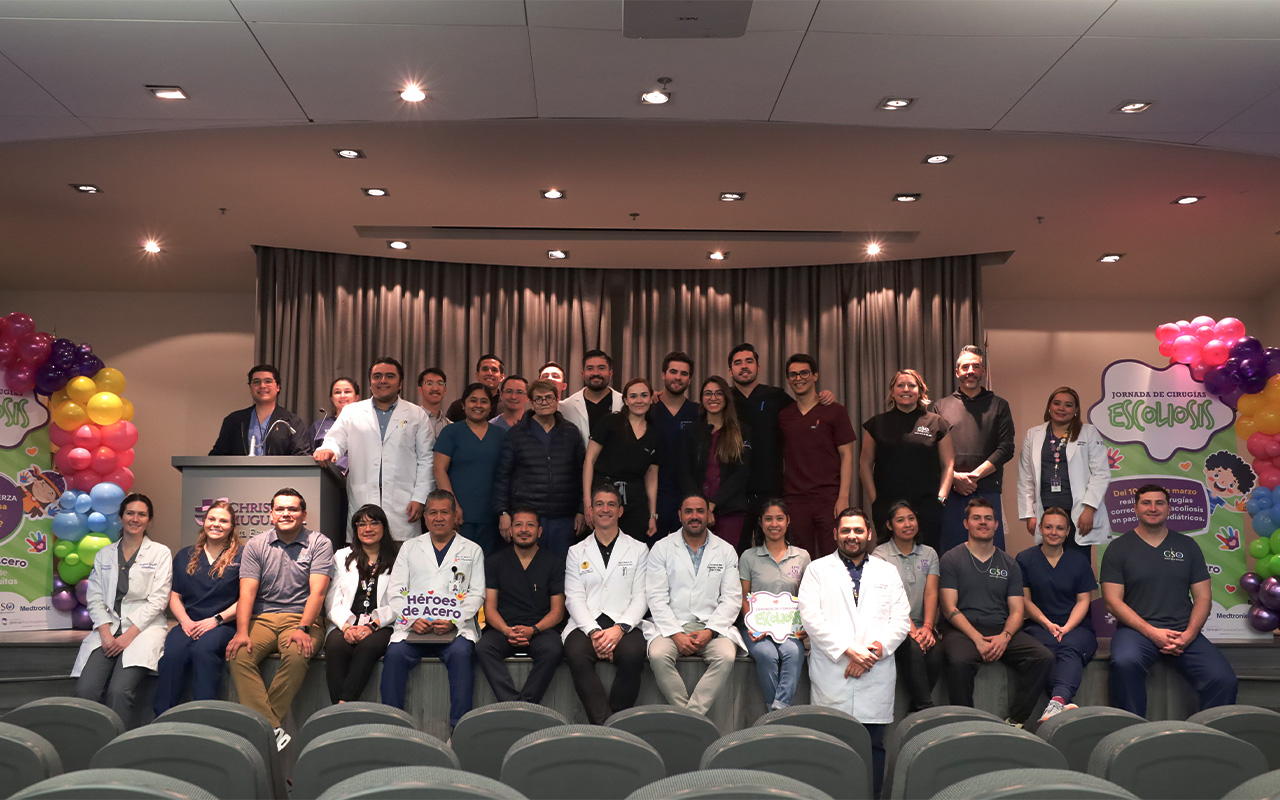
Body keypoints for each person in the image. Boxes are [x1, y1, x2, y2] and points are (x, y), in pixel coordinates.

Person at [798, 506, 910, 798]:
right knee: (830, 747)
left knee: (872, 747)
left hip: (875, 672)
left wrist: (870, 655)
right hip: (834, 672)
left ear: (869, 534)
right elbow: (811, 619)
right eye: (846, 530)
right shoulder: (817, 570)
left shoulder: (888, 571)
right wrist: (849, 651)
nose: (852, 536)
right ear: (835, 533)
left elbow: (900, 621)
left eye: (858, 530)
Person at [1101, 484, 1237, 718]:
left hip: (1182, 631)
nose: (1153, 508)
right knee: (1124, 663)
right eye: (1146, 503)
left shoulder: (1188, 546)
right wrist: (1152, 632)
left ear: (1169, 508)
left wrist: (1189, 635)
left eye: (1160, 503)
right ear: (1135, 508)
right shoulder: (1118, 548)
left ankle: (1207, 733)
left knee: (1223, 679)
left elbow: (1203, 597)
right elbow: (1112, 602)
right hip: (1137, 632)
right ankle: (1130, 731)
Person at [226, 488, 334, 749]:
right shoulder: (256, 544)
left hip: (302, 618)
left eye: (293, 509)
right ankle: (272, 728)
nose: (286, 513)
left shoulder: (319, 543)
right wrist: (241, 632)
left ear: (304, 515)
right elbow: (247, 593)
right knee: (238, 654)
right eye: (280, 509)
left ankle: (260, 727)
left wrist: (303, 628)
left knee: (297, 654)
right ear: (271, 514)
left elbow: (318, 592)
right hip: (263, 617)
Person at [939, 498, 1052, 725]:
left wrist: (1005, 637)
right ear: (966, 523)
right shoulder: (951, 559)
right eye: (977, 518)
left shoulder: (1009, 563)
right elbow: (949, 607)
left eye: (988, 518)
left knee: (1043, 657)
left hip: (1001, 628)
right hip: (963, 630)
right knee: (959, 661)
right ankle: (965, 724)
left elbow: (1017, 611)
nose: (983, 522)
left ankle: (1015, 720)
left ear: (996, 525)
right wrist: (977, 639)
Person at [381, 490, 485, 731]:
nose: (439, 518)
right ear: (425, 517)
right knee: (394, 655)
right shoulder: (409, 548)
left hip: (454, 629)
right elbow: (396, 591)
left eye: (444, 512)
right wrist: (412, 620)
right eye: (433, 512)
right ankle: (392, 725)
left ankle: (459, 728)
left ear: (455, 516)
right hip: (414, 627)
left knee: (461, 653)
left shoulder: (472, 550)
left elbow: (477, 593)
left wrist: (453, 620)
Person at [73, 492, 173, 728]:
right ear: (120, 517)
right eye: (130, 513)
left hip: (143, 629)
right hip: (108, 629)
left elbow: (158, 600)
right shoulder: (105, 554)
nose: (135, 519)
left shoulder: (160, 553)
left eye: (142, 514)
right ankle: (88, 741)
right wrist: (105, 633)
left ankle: (119, 744)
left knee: (119, 692)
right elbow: (95, 597)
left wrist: (128, 636)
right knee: (86, 689)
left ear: (149, 520)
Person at [315, 357, 435, 542]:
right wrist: (328, 450)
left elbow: (427, 459)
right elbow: (335, 440)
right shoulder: (352, 412)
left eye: (390, 376)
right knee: (363, 555)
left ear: (400, 383)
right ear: (370, 383)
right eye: (377, 376)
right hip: (363, 501)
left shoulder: (416, 414)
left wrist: (420, 498)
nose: (383, 381)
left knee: (402, 556)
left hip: (404, 506)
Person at [645, 493, 744, 715]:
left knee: (726, 656)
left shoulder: (726, 550)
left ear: (709, 515)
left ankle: (691, 715)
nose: (694, 516)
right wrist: (676, 634)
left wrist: (710, 631)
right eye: (688, 511)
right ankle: (690, 716)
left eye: (700, 511)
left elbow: (731, 598)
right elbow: (656, 597)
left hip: (710, 627)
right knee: (658, 655)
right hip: (672, 626)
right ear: (680, 515)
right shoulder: (662, 548)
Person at [728, 343, 834, 548]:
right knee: (735, 550)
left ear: (758, 368)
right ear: (730, 370)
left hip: (771, 487)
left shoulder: (775, 396)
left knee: (773, 548)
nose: (744, 366)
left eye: (749, 361)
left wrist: (825, 396)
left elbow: (805, 409)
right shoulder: (724, 399)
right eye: (738, 363)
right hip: (734, 490)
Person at [563, 484, 651, 724]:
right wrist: (593, 632)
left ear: (620, 511)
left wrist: (619, 629)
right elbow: (574, 597)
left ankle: (616, 720)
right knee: (576, 654)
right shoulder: (576, 551)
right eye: (599, 504)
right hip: (586, 622)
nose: (605, 509)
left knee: (633, 654)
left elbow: (642, 596)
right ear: (590, 511)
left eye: (611, 504)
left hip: (623, 621)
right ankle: (606, 724)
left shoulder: (639, 549)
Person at [153, 499, 240, 716]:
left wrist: (216, 620)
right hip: (189, 622)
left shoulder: (242, 556)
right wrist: (185, 622)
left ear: (232, 526)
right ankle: (163, 717)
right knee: (172, 655)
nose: (216, 524)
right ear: (204, 522)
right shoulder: (185, 555)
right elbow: (174, 595)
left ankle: (204, 717)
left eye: (223, 521)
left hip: (223, 624)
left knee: (203, 651)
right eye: (212, 519)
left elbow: (247, 599)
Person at [476, 508, 567, 703]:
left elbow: (558, 611)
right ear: (510, 530)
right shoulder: (495, 562)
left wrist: (533, 630)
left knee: (553, 650)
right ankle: (511, 702)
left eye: (530, 525)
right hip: (503, 628)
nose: (524, 530)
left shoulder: (554, 563)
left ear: (539, 531)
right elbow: (489, 608)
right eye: (518, 525)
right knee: (484, 647)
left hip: (540, 629)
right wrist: (506, 630)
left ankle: (526, 704)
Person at [860, 369, 954, 551]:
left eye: (911, 385)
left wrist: (941, 498)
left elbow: (948, 464)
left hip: (927, 506)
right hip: (887, 505)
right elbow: (865, 464)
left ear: (920, 391)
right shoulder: (876, 424)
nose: (906, 389)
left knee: (927, 559)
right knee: (888, 559)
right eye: (900, 385)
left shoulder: (937, 423)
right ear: (893, 391)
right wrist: (875, 500)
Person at [1018, 507, 1097, 722]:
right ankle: (1060, 702)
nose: (1054, 532)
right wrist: (1047, 624)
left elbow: (1083, 600)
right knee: (1046, 652)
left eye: (1060, 528)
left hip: (1076, 626)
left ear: (1068, 531)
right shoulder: (1025, 559)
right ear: (1040, 529)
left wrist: (1067, 627)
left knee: (1069, 645)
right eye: (1049, 527)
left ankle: (1056, 702)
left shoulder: (1078, 560)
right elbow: (1024, 601)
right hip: (1038, 625)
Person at [933, 346, 1015, 552]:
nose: (970, 371)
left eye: (976, 366)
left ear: (983, 371)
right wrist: (955, 478)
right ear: (957, 372)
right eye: (965, 367)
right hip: (951, 491)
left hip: (987, 489)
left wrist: (974, 476)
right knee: (951, 553)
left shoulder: (999, 405)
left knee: (989, 552)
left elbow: (1006, 448)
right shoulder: (940, 407)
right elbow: (931, 451)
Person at [495, 379, 586, 556]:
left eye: (549, 398)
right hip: (527, 517)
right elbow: (503, 477)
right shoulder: (516, 434)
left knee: (561, 568)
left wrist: (582, 510)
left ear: (557, 400)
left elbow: (582, 473)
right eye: (538, 398)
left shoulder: (571, 432)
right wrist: (503, 512)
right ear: (531, 402)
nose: (544, 402)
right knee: (527, 568)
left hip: (564, 517)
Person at [1017, 386, 1111, 554]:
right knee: (1049, 561)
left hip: (1078, 512)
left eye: (1068, 405)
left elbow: (1101, 473)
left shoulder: (1088, 432)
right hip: (1045, 510)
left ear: (1075, 410)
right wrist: (1029, 515)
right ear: (1049, 406)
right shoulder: (1033, 434)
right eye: (1057, 403)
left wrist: (1090, 508)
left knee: (1077, 561)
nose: (1061, 408)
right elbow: (1026, 477)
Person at [779, 354, 855, 558]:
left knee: (834, 558)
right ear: (788, 379)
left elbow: (847, 455)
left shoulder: (835, 411)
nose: (798, 378)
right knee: (799, 559)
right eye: (793, 375)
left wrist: (843, 497)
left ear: (815, 376)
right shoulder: (784, 415)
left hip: (829, 498)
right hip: (795, 499)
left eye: (804, 373)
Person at [739, 498, 811, 711]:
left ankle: (777, 708)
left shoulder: (802, 556)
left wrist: (805, 626)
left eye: (779, 518)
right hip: (756, 629)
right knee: (766, 654)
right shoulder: (749, 557)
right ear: (761, 523)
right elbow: (744, 596)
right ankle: (779, 712)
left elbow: (807, 597)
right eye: (768, 519)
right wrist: (753, 626)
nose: (774, 524)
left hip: (790, 629)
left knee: (793, 653)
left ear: (788, 521)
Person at [324, 504, 399, 704]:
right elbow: (332, 599)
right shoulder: (342, 556)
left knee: (368, 647)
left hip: (382, 624)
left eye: (374, 523)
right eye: (361, 524)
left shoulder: (398, 558)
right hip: (346, 622)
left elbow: (400, 600)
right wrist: (347, 627)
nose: (368, 529)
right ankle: (342, 708)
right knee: (335, 647)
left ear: (384, 527)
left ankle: (342, 706)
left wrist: (372, 626)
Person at [871, 500, 942, 713]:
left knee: (937, 654)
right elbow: (891, 597)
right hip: (894, 626)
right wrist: (911, 630)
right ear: (890, 525)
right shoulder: (880, 555)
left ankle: (916, 709)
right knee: (913, 651)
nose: (908, 524)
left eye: (911, 518)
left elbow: (931, 592)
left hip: (923, 625)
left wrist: (927, 628)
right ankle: (925, 708)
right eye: (900, 520)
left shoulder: (929, 553)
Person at [584, 377, 660, 544]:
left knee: (635, 547)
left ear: (651, 399)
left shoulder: (655, 433)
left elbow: (651, 476)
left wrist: (652, 514)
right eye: (633, 396)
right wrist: (588, 502)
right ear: (625, 400)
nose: (639, 400)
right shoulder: (609, 422)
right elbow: (589, 461)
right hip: (605, 495)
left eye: (644, 395)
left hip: (635, 500)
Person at [434, 382, 507, 555]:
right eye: (473, 400)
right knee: (459, 564)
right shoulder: (451, 432)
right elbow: (439, 469)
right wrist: (452, 506)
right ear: (463, 404)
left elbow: (507, 474)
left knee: (489, 566)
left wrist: (504, 512)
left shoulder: (501, 435)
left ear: (490, 406)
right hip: (460, 516)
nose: (478, 405)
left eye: (484, 401)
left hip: (493, 518)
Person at [685, 375, 751, 549]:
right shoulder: (692, 431)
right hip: (697, 511)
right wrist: (702, 506)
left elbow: (741, 473)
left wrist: (713, 504)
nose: (713, 398)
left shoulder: (741, 431)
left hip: (731, 510)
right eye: (708, 393)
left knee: (724, 559)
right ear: (701, 398)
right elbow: (685, 472)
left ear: (726, 397)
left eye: (718, 393)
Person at [209, 364, 308, 456]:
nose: (262, 386)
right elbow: (218, 457)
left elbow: (301, 456)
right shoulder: (234, 421)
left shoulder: (292, 422)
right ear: (250, 388)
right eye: (256, 382)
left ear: (278, 387)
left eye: (268, 381)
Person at [651, 351, 700, 537]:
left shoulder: (698, 413)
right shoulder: (648, 410)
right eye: (673, 372)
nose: (678, 377)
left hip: (688, 496)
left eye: (684, 373)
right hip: (655, 497)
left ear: (690, 379)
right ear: (663, 375)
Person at [561, 349, 623, 448]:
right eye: (590, 368)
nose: (595, 373)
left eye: (601, 368)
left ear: (610, 373)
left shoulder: (624, 403)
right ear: (583, 374)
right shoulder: (567, 406)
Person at [308, 377, 360, 463]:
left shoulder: (365, 424)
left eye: (347, 392)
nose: (342, 396)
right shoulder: (319, 426)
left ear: (357, 397)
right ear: (332, 398)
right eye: (337, 392)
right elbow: (309, 455)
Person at [446, 354, 505, 422]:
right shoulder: (458, 406)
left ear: (502, 377)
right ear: (477, 375)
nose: (489, 373)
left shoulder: (507, 407)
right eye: (485, 369)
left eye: (494, 370)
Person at [416, 367, 449, 439]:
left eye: (440, 383)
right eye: (429, 383)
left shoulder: (449, 425)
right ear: (420, 390)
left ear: (445, 390)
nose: (435, 388)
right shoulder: (412, 420)